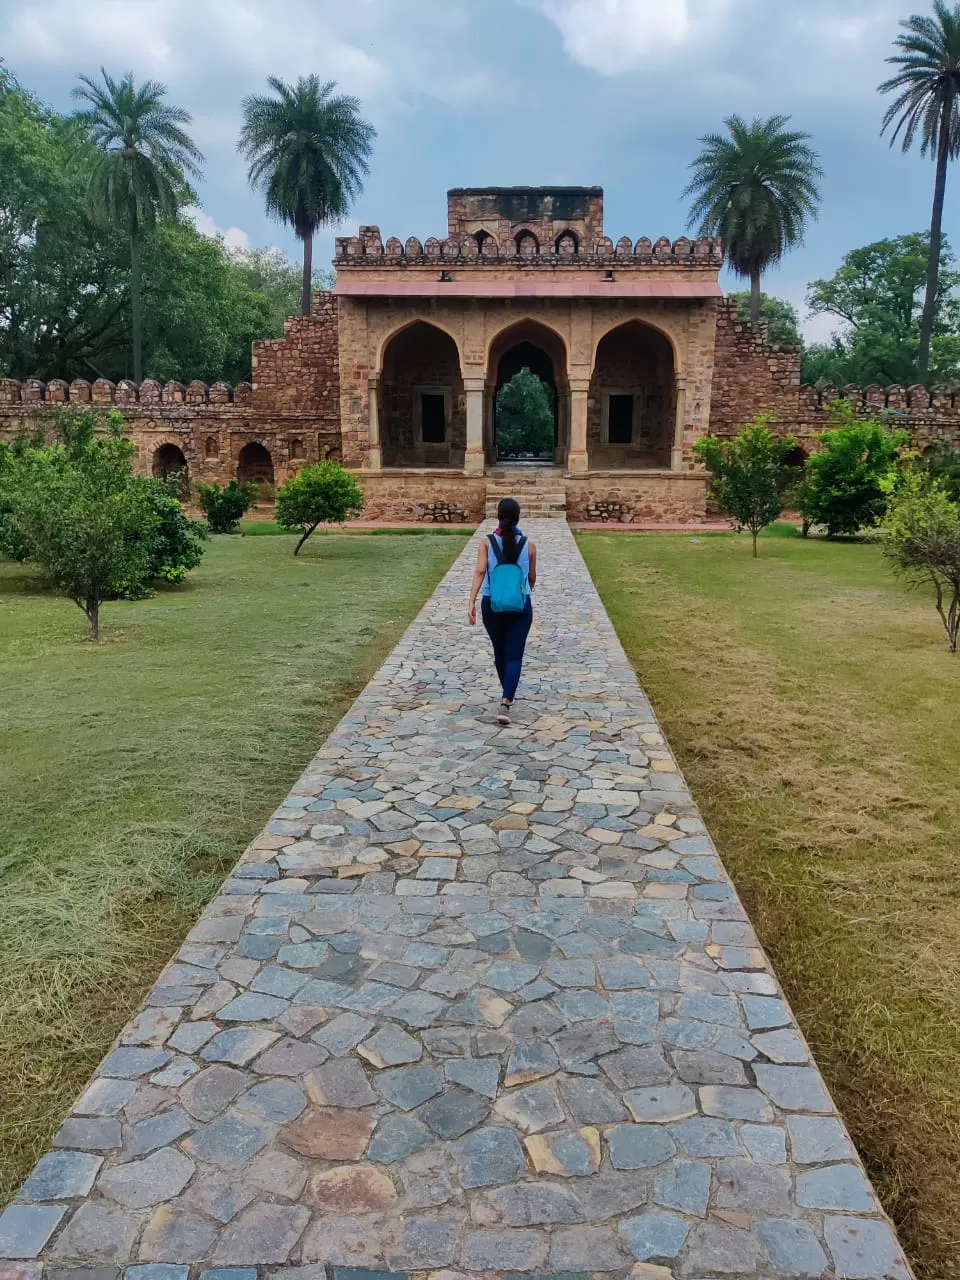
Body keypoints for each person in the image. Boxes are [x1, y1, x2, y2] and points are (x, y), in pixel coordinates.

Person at [467, 497, 537, 724]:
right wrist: (524, 592)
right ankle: (507, 699)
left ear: (498, 516)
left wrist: (471, 602)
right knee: (515, 654)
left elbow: (479, 572)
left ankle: (507, 689)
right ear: (518, 517)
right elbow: (532, 578)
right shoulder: (529, 544)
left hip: (492, 603)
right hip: (520, 604)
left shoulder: (486, 543)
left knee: (500, 651)